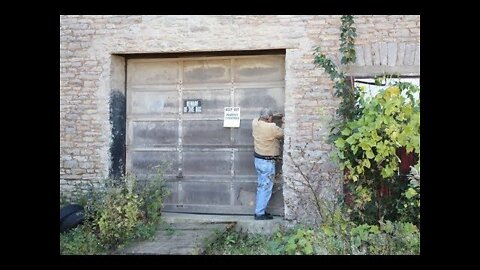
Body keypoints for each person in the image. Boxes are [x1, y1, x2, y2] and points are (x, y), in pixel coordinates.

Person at [252, 108, 284, 220]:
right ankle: (260, 213)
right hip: (267, 162)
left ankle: (260, 210)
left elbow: (258, 117)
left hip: (258, 160)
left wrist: (273, 115)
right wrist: (283, 121)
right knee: (266, 187)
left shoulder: (255, 123)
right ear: (269, 118)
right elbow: (283, 133)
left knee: (261, 186)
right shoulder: (272, 127)